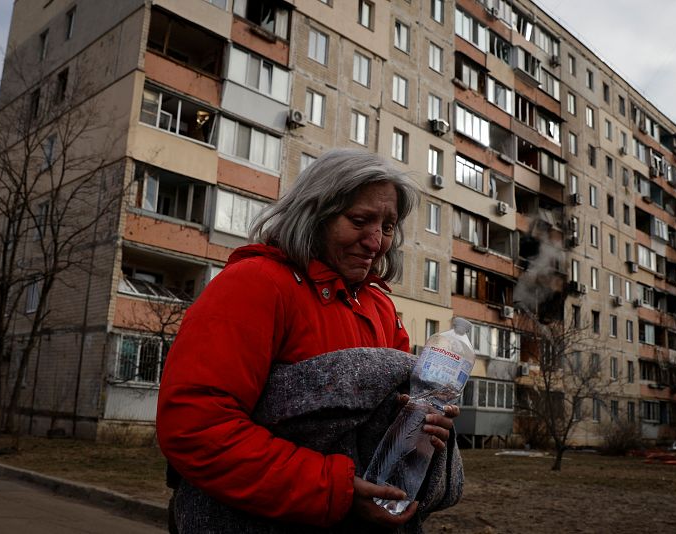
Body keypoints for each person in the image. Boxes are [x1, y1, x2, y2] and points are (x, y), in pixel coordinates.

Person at [156, 149, 461, 532]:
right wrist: (333, 492)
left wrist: (425, 427)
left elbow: (395, 416)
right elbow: (196, 426)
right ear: (314, 214)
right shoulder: (254, 284)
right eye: (360, 220)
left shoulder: (379, 305)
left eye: (387, 227)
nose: (375, 242)